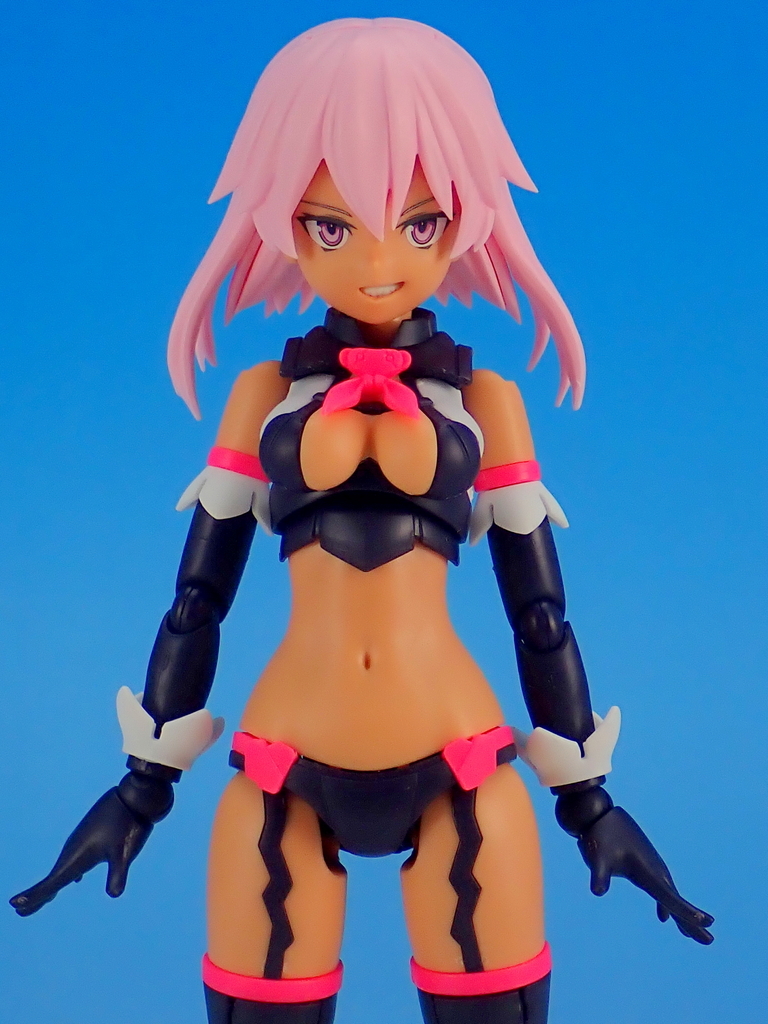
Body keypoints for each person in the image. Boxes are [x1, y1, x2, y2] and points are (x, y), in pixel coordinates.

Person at [11, 18, 713, 1024]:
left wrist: (590, 800)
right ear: (282, 224)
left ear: (466, 219)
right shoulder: (263, 396)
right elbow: (198, 597)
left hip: (459, 761)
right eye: (333, 228)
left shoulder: (489, 403)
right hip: (285, 765)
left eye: (420, 225)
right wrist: (141, 785)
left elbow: (541, 615)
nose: (380, 261)